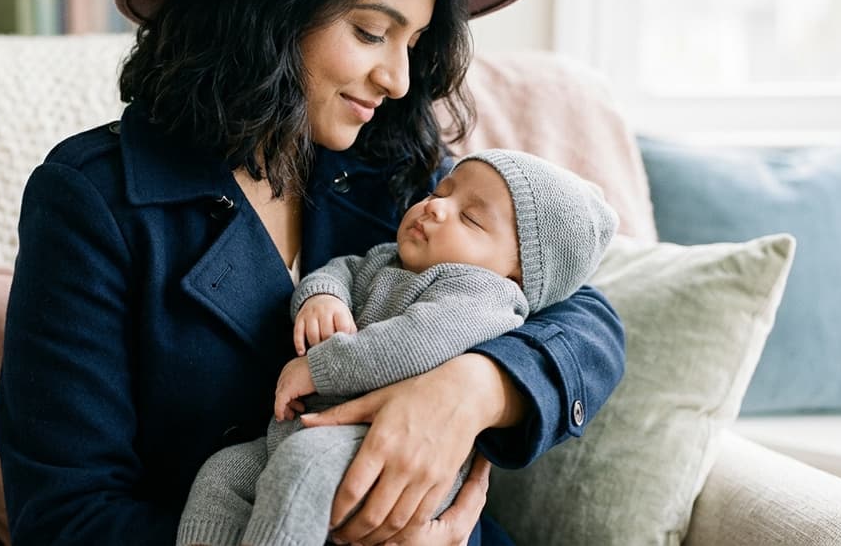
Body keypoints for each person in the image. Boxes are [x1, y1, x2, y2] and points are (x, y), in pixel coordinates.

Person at [0, 0, 626, 544]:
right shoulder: (97, 198)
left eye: (411, 43)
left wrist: (476, 388)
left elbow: (585, 310)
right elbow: (65, 518)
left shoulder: (395, 167)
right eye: (371, 31)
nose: (399, 80)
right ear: (267, 7)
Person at [177, 150, 619, 546]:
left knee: (303, 471)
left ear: (518, 274)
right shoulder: (387, 258)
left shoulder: (486, 295)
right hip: (308, 433)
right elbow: (341, 270)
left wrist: (319, 367)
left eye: (470, 218)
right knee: (222, 476)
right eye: (440, 192)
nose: (436, 207)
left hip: (381, 453)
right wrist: (322, 297)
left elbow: (412, 341)